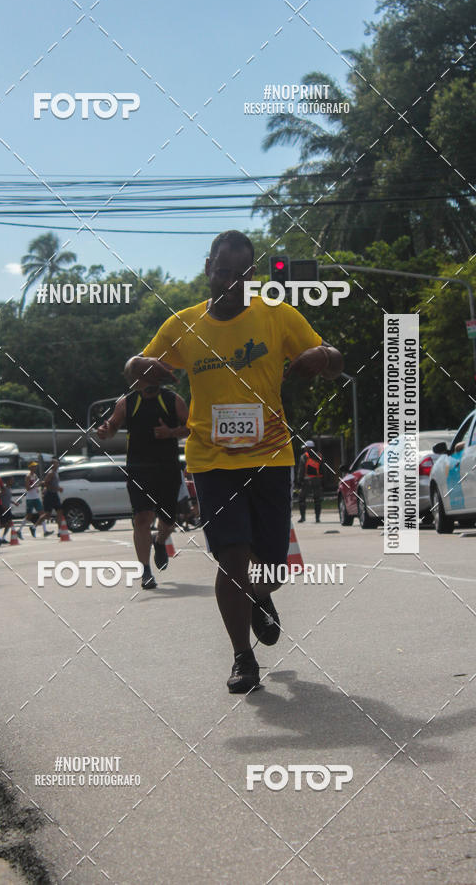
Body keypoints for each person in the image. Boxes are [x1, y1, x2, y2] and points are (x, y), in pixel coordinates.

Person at [124, 230, 343, 693]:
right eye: (222, 272)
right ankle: (243, 657)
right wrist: (137, 366)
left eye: (241, 275)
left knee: (273, 568)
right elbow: (137, 365)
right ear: (208, 268)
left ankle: (261, 596)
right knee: (231, 557)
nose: (230, 283)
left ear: (253, 275)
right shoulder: (183, 324)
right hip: (212, 460)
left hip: (270, 456)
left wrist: (321, 356)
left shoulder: (276, 314)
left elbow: (334, 359)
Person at [97, 386, 189, 588]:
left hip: (167, 469)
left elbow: (192, 427)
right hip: (138, 469)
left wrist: (171, 432)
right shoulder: (126, 402)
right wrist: (105, 431)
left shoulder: (172, 399)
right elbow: (112, 426)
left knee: (169, 522)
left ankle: (160, 541)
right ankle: (145, 571)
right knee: (141, 518)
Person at [17, 462, 53, 538]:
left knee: (42, 514)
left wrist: (42, 483)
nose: (35, 468)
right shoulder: (28, 476)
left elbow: (38, 483)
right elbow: (27, 488)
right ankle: (19, 530)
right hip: (30, 498)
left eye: (35, 466)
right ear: (30, 468)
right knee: (28, 516)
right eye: (33, 466)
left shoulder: (35, 475)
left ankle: (45, 531)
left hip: (36, 497)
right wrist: (36, 485)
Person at [296, 440, 324, 522]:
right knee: (317, 500)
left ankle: (303, 517)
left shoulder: (304, 456)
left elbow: (301, 470)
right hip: (317, 480)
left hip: (306, 480)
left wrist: (299, 481)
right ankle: (317, 518)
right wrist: (322, 480)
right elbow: (323, 469)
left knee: (301, 498)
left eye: (305, 448)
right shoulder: (320, 456)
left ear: (308, 448)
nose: (304, 449)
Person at [43, 458, 64, 532]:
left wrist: (58, 488)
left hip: (54, 494)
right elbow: (46, 484)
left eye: (58, 463)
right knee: (47, 514)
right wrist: (57, 488)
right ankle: (34, 526)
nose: (58, 465)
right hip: (50, 494)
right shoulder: (51, 473)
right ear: (52, 465)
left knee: (59, 511)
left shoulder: (56, 473)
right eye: (56, 463)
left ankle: (60, 531)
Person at [0, 476, 15, 544]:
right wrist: (2, 506)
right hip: (3, 508)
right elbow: (0, 497)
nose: (12, 482)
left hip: (7, 508)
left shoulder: (9, 488)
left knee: (9, 523)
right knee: (1, 524)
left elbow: (8, 498)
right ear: (8, 481)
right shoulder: (4, 488)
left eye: (13, 480)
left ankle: (2, 538)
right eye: (11, 480)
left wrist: (13, 502)